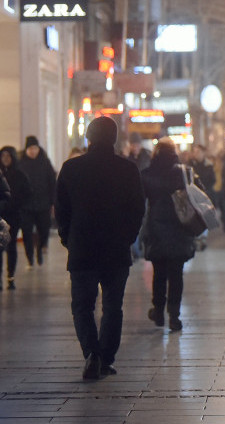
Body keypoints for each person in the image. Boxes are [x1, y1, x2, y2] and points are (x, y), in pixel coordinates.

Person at [54, 116, 145, 381]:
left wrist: (67, 238)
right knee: (113, 306)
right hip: (116, 249)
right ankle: (106, 358)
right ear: (114, 139)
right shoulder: (127, 169)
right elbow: (137, 209)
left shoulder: (71, 168)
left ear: (89, 137)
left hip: (82, 248)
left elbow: (61, 210)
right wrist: (128, 236)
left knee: (82, 306)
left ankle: (92, 354)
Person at [139, 138, 198, 331]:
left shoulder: (146, 174)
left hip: (156, 229)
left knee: (159, 273)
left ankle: (158, 311)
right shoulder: (184, 173)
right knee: (176, 274)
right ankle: (174, 315)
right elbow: (200, 196)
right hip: (180, 228)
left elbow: (139, 202)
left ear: (156, 153)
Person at [16, 135, 57, 267]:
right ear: (26, 149)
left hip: (43, 204)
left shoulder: (45, 162)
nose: (33, 151)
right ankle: (29, 256)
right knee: (27, 232)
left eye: (35, 148)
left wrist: (53, 201)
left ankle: (39, 249)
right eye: (30, 149)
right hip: (25, 206)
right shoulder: (20, 164)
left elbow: (52, 182)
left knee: (44, 229)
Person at [0, 146, 28, 289]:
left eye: (8, 156)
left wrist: (15, 205)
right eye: (2, 155)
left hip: (13, 216)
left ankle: (10, 276)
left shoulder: (19, 175)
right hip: (1, 216)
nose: (5, 158)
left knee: (11, 246)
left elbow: (26, 194)